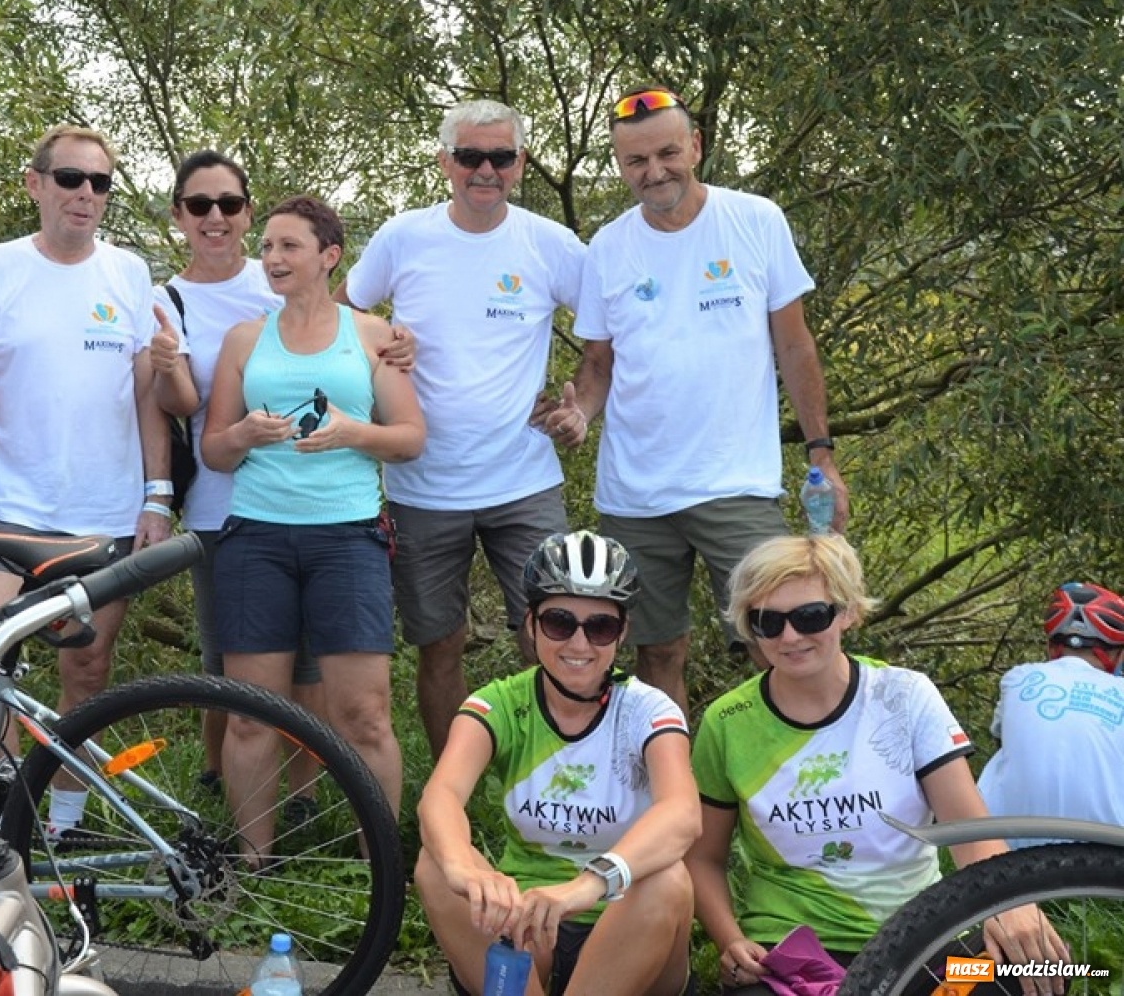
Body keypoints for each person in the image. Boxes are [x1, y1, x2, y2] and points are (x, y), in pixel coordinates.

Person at [570, 85, 848, 712]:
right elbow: (596, 366)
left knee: (781, 637)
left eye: (667, 152)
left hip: (737, 483)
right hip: (635, 494)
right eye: (636, 161)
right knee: (656, 653)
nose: (654, 171)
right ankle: (681, 798)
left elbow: (796, 347)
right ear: (620, 167)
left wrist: (821, 455)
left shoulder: (754, 219)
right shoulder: (607, 247)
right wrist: (576, 413)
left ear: (696, 145)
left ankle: (792, 793)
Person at [687, 534, 1060, 995]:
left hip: (925, 947)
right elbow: (703, 857)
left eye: (810, 616)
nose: (789, 636)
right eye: (768, 621)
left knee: (1027, 976)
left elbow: (969, 830)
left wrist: (1011, 903)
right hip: (791, 959)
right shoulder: (726, 722)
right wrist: (731, 940)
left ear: (848, 612)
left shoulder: (905, 696)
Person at [0, 124, 169, 836]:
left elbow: (145, 393)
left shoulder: (129, 273)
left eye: (101, 183)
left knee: (87, 669)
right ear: (34, 184)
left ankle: (62, 822)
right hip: (8, 509)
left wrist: (158, 494)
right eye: (70, 179)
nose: (86, 195)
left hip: (103, 512)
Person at [341, 98, 586, 759]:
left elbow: (609, 332)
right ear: (444, 161)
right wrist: (383, 345)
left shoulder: (549, 244)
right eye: (471, 157)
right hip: (422, 485)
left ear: (521, 164)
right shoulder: (404, 236)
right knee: (439, 643)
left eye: (501, 157)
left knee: (556, 633)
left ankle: (554, 779)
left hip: (525, 479)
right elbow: (342, 317)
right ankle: (458, 789)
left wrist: (580, 406)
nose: (486, 171)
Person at [202, 194, 423, 847]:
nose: (273, 258)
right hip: (256, 538)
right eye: (267, 247)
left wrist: (355, 432)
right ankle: (254, 865)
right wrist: (242, 431)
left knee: (365, 715)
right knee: (251, 718)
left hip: (349, 539)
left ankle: (378, 863)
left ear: (330, 256)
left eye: (288, 246)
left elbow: (411, 437)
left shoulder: (374, 335)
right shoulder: (245, 339)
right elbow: (214, 451)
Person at [415, 530, 698, 996]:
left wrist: (588, 885)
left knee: (667, 878)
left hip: (627, 921)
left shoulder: (649, 710)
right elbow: (441, 796)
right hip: (527, 923)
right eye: (560, 623)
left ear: (622, 631)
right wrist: (465, 871)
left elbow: (683, 815)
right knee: (434, 863)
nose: (579, 643)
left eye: (601, 626)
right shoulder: (499, 704)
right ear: (531, 623)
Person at [145, 150, 320, 792]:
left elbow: (337, 347)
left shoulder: (278, 275)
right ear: (178, 216)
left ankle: (302, 793)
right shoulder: (166, 298)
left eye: (228, 204)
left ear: (248, 211)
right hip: (222, 504)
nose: (214, 218)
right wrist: (166, 367)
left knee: (306, 661)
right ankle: (218, 780)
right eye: (199, 206)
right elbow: (183, 407)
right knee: (226, 660)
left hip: (305, 492)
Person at [978, 582, 1124, 847]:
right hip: (1109, 850)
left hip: (1003, 845)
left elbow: (1001, 738)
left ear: (1052, 646)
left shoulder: (1018, 677)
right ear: (1117, 653)